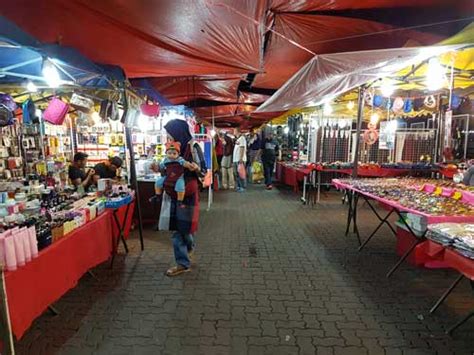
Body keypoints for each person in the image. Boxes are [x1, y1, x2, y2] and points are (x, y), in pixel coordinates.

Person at [158, 119, 206, 277]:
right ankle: (185, 256)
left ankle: (184, 261)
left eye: (170, 133)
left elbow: (204, 171)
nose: (169, 137)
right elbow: (167, 168)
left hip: (188, 194)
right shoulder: (172, 148)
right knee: (179, 229)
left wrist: (196, 168)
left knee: (182, 230)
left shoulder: (193, 147)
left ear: (178, 132)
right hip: (173, 194)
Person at [233, 127, 247, 192]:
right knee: (237, 174)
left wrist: (240, 158)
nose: (233, 132)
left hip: (240, 159)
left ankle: (242, 187)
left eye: (234, 131)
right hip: (236, 159)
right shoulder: (238, 139)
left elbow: (242, 148)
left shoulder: (242, 138)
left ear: (237, 131)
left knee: (241, 173)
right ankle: (239, 186)